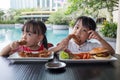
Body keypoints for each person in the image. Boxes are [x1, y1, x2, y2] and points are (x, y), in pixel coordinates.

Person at [50, 16, 115, 55]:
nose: (78, 32)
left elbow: (111, 52)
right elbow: (48, 52)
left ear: (89, 35)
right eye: (77, 27)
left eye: (84, 30)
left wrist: (100, 39)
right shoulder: (66, 44)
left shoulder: (93, 47)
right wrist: (59, 47)